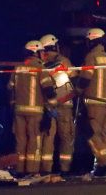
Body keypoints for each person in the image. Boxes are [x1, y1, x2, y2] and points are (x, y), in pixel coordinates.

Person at [7, 40, 55, 177]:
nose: (43, 54)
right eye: (41, 52)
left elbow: (10, 88)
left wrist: (12, 104)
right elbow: (48, 89)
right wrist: (52, 106)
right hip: (35, 112)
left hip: (19, 111)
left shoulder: (18, 68)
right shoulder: (40, 67)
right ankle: (32, 170)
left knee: (20, 140)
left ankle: (20, 170)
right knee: (34, 140)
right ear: (36, 52)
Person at [77, 28, 106, 176]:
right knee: (103, 135)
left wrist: (77, 91)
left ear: (91, 41)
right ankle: (102, 165)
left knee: (91, 133)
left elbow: (86, 78)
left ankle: (105, 161)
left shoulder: (91, 57)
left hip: (94, 102)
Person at [39, 34, 77, 177]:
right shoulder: (64, 62)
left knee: (48, 137)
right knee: (66, 137)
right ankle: (64, 169)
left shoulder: (41, 65)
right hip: (65, 105)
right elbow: (75, 77)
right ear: (55, 46)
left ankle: (46, 169)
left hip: (48, 106)